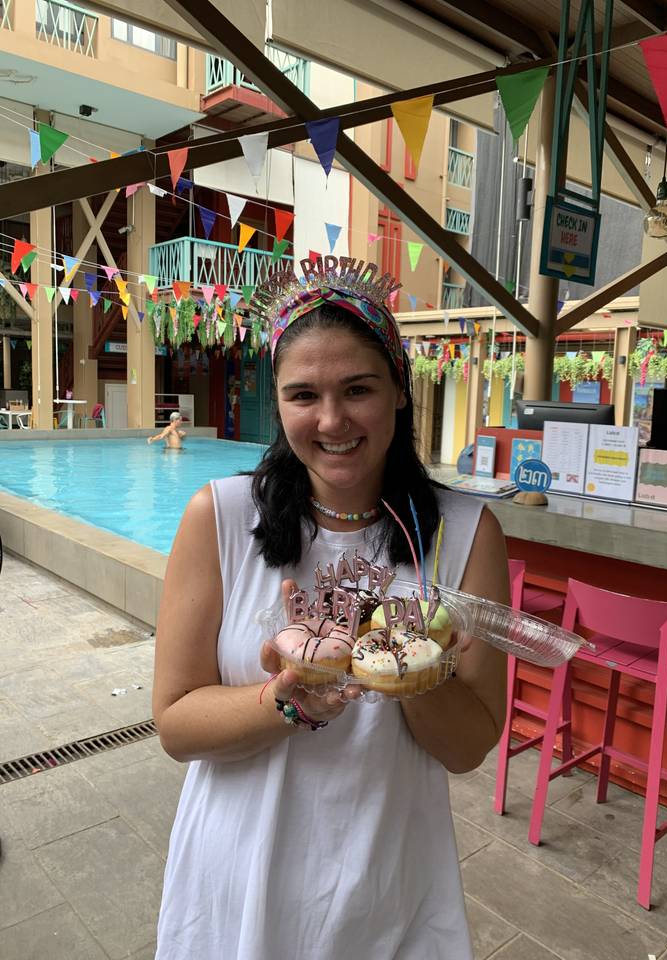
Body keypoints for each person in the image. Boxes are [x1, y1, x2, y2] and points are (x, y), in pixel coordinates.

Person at [152, 257, 509, 959]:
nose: (332, 419)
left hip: (388, 879)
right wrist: (289, 700)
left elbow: (469, 748)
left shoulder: (465, 535)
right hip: (238, 877)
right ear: (278, 400)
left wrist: (409, 668)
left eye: (358, 389)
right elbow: (175, 724)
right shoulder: (218, 518)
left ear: (399, 391)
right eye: (303, 395)